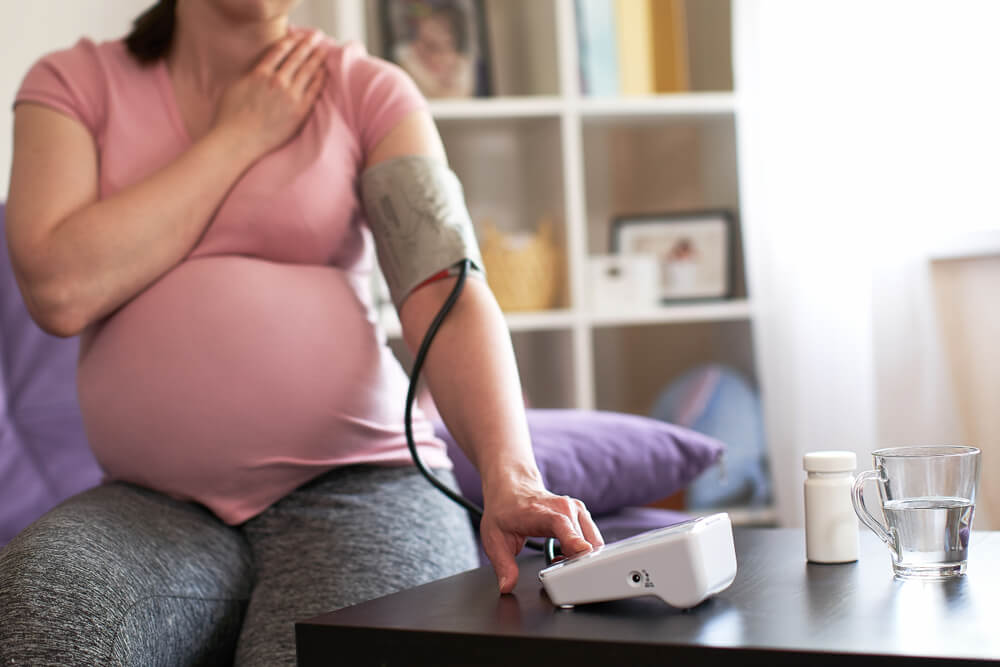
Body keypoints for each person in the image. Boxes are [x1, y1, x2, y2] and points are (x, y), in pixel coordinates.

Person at [0, 0, 602, 664]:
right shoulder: (70, 85)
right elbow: (60, 289)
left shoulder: (364, 88)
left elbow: (445, 291)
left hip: (361, 485)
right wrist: (239, 135)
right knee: (42, 611)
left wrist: (511, 477)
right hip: (151, 505)